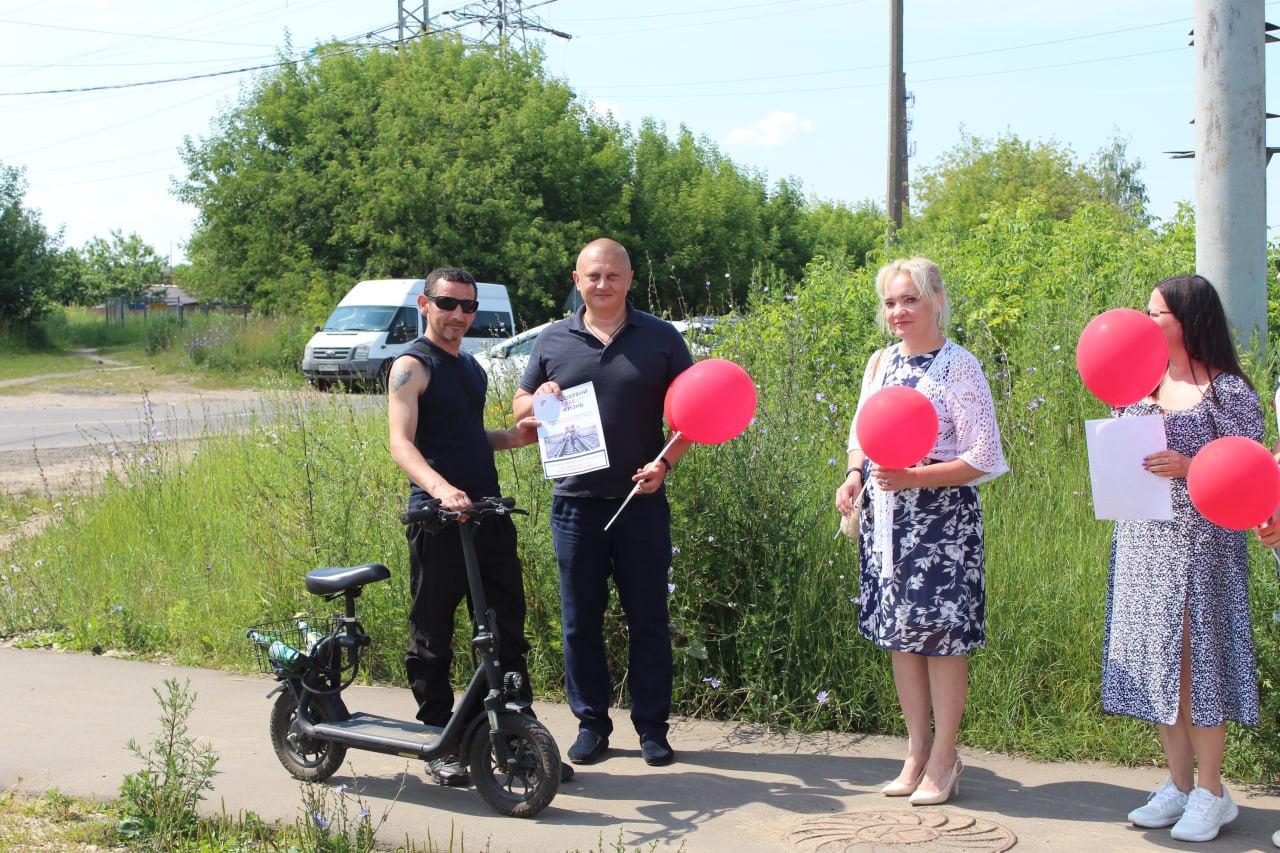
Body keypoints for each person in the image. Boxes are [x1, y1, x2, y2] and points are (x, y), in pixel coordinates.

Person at [513, 237, 693, 767]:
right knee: (580, 621)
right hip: (575, 504)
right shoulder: (552, 339)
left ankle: (652, 728)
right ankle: (592, 724)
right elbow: (523, 402)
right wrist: (538, 401)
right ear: (577, 280)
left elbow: (690, 417)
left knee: (649, 620)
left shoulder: (660, 339)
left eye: (613, 275)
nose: (603, 284)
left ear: (629, 279)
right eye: (593, 276)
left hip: (641, 502)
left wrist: (665, 465)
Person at [833, 257, 1007, 806]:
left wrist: (914, 477)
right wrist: (854, 474)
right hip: (887, 524)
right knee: (901, 638)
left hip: (943, 528)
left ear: (936, 299)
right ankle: (915, 750)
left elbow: (986, 457)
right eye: (890, 302)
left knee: (942, 640)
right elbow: (864, 432)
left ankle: (945, 756)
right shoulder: (880, 362)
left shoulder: (959, 366)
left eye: (909, 299)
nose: (899, 312)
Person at [1103, 274, 1261, 842]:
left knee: (1197, 669)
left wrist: (1190, 465)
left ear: (1189, 320)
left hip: (1202, 551)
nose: (1146, 323)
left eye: (1156, 313)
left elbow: (1251, 472)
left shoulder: (1229, 392)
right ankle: (1178, 784)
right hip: (1144, 544)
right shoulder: (1136, 384)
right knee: (1158, 668)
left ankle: (1213, 792)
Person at [387, 266, 545, 787]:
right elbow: (401, 443)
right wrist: (440, 489)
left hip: (488, 513)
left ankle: (510, 731)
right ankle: (439, 737)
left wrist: (513, 438)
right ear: (424, 304)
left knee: (505, 628)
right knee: (433, 631)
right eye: (448, 303)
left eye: (468, 306)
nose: (459, 314)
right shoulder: (412, 366)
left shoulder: (472, 368)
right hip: (438, 518)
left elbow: (466, 436)